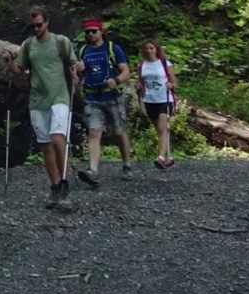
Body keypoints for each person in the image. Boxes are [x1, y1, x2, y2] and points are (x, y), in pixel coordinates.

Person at [5, 7, 79, 211]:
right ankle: (55, 186)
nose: (37, 28)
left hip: (59, 96)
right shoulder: (29, 46)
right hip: (38, 100)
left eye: (40, 24)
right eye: (34, 25)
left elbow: (74, 63)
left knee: (57, 137)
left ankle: (64, 183)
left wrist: (77, 71)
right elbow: (20, 71)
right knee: (45, 144)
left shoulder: (61, 42)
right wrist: (11, 62)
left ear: (47, 22)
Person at [74, 21, 133, 186]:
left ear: (101, 32)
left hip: (112, 96)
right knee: (94, 132)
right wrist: (76, 74)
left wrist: (116, 80)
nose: (90, 35)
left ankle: (127, 164)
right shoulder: (83, 51)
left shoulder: (113, 49)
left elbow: (126, 71)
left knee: (119, 131)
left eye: (93, 31)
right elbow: (80, 78)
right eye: (87, 32)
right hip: (92, 98)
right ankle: (93, 170)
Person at [137, 39, 179, 169]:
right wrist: (139, 87)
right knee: (159, 129)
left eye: (151, 48)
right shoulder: (141, 65)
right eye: (147, 49)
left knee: (162, 128)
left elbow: (174, 81)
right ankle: (168, 157)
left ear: (156, 49)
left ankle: (160, 157)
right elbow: (141, 82)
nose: (149, 51)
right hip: (150, 99)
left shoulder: (165, 64)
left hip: (165, 98)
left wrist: (171, 84)